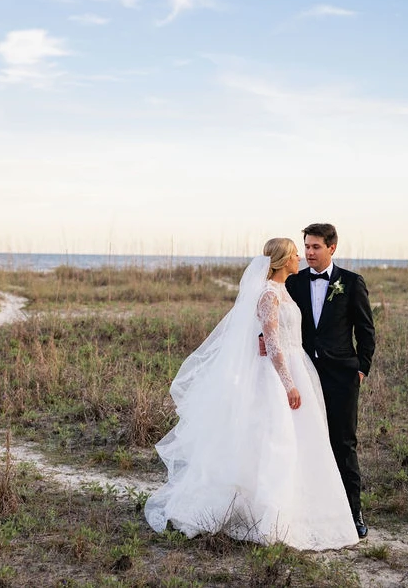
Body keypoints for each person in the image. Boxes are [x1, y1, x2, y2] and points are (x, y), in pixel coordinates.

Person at [144, 238, 358, 551]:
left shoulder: (284, 290)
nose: (301, 257)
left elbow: (274, 334)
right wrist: (288, 384)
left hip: (294, 365)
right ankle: (266, 515)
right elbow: (272, 343)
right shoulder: (269, 293)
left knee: (299, 441)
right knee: (273, 439)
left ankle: (295, 510)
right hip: (274, 377)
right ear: (285, 260)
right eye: (296, 254)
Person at [284, 223, 375, 538]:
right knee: (305, 441)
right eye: (306, 247)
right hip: (304, 373)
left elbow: (365, 330)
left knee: (343, 443)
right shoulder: (293, 283)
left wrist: (361, 368)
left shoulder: (351, 283)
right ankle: (307, 510)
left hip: (341, 377)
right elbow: (277, 317)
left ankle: (353, 513)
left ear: (332, 248)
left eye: (316, 247)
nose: (309, 253)